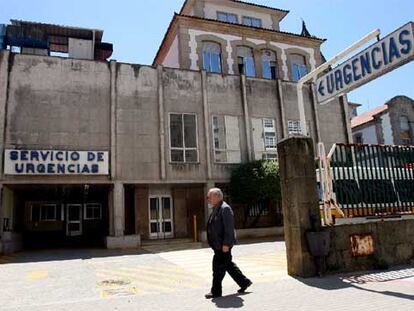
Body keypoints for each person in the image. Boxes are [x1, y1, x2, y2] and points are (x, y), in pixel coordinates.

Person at [205, 188, 252, 299]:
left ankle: (216, 291)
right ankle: (244, 282)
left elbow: (229, 229)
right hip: (218, 245)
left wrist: (226, 244)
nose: (208, 199)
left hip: (223, 245)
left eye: (209, 197)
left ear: (217, 196)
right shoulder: (217, 208)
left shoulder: (225, 209)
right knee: (228, 265)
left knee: (218, 268)